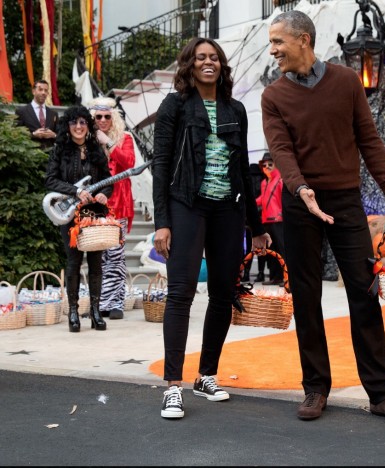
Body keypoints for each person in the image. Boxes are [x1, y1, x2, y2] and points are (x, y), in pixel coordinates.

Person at [261, 11, 385, 424]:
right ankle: (316, 387)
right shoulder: (273, 96)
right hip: (302, 204)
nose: (273, 50)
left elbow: (369, 139)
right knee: (307, 296)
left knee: (364, 292)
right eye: (271, 43)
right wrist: (301, 188)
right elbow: (281, 151)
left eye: (279, 41)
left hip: (346, 201)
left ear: (304, 40)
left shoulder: (348, 82)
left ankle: (381, 393)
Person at [152, 37, 270, 420]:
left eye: (214, 57)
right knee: (181, 293)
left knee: (223, 294)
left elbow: (242, 171)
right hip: (186, 204)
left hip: (228, 210)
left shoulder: (235, 108)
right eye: (201, 57)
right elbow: (162, 165)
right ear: (189, 65)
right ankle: (173, 386)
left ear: (222, 66)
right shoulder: (174, 106)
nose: (209, 62)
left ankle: (206, 375)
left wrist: (256, 225)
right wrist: (162, 223)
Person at [45, 106, 112, 333]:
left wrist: (105, 194)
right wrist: (74, 191)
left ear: (88, 126)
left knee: (96, 264)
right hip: (71, 215)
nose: (79, 127)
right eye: (74, 122)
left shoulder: (96, 150)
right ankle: (73, 312)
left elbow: (108, 180)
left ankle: (95, 312)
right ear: (68, 125)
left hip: (94, 214)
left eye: (83, 122)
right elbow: (50, 180)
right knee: (73, 263)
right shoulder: (60, 150)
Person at [88, 97, 135, 321]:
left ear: (113, 117)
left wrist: (107, 141)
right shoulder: (86, 141)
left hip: (120, 203)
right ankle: (101, 303)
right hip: (94, 205)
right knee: (98, 255)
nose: (103, 120)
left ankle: (114, 303)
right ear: (92, 118)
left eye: (107, 116)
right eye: (99, 117)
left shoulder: (124, 138)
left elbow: (129, 163)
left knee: (115, 255)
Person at [256, 152, 286, 285]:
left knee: (282, 249)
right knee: (271, 251)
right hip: (266, 219)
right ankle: (275, 277)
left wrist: (282, 214)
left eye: (270, 164)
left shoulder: (280, 180)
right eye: (264, 165)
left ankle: (286, 277)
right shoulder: (264, 182)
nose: (267, 166)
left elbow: (283, 200)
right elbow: (263, 199)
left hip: (278, 220)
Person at [15, 80, 58, 152]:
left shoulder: (53, 114)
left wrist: (53, 135)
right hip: (29, 155)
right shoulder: (22, 111)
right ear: (33, 91)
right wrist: (33, 134)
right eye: (40, 89)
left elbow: (61, 135)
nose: (43, 93)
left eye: (46, 90)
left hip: (50, 156)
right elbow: (15, 134)